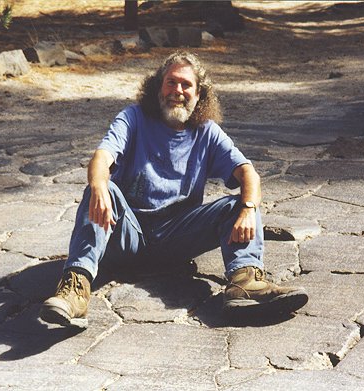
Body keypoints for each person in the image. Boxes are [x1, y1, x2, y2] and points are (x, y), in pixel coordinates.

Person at [39, 51, 308, 328]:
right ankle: (75, 290)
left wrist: (249, 209)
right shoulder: (133, 118)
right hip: (127, 236)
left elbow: (248, 173)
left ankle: (245, 283)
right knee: (103, 189)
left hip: (176, 238)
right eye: (170, 82)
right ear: (158, 87)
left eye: (186, 85)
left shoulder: (207, 131)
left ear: (199, 93)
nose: (177, 91)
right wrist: (97, 186)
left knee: (236, 205)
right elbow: (102, 158)